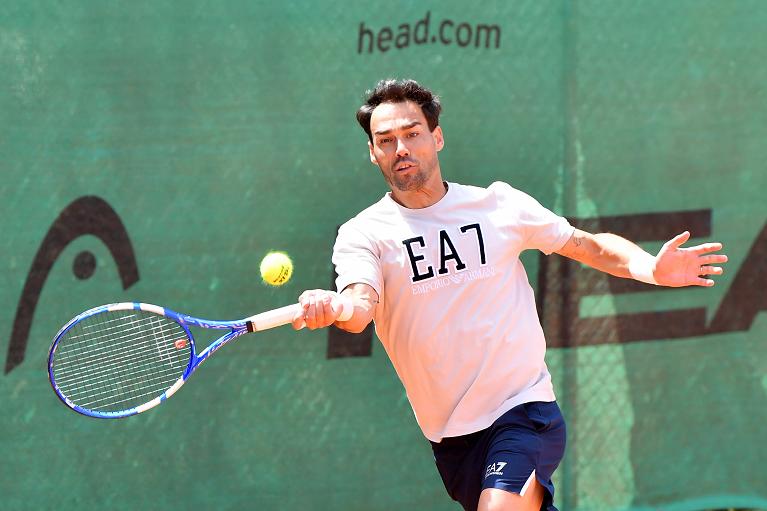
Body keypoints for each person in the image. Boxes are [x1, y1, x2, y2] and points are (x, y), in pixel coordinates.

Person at [291, 79, 728, 511]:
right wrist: (335, 306)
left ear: (436, 137)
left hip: (523, 411)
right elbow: (359, 306)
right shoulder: (362, 234)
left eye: (412, 134)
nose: (400, 148)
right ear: (373, 152)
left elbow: (586, 245)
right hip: (452, 439)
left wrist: (651, 267)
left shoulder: (499, 206)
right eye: (385, 140)